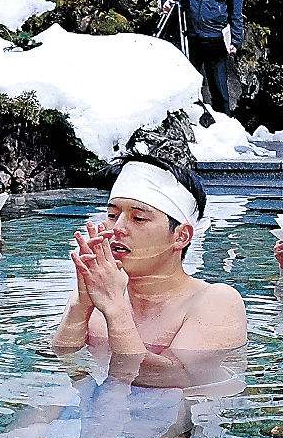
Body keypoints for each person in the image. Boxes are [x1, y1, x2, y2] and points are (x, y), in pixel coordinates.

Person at [52, 155, 246, 369]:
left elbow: (179, 379)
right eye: (112, 214)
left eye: (138, 218)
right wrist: (81, 304)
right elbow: (59, 362)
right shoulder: (99, 294)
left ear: (181, 236)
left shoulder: (215, 301)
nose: (117, 228)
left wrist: (116, 310)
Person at [162, 0, 243, 117]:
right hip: (191, 37)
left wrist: (235, 42)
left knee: (219, 89)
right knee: (187, 84)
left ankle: (225, 129)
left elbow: (236, 13)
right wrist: (165, 2)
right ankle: (189, 123)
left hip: (215, 39)